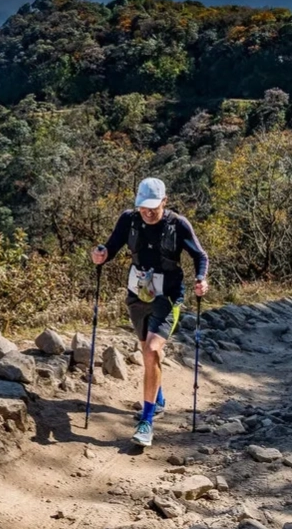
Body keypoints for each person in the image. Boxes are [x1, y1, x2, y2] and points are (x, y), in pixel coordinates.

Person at [90, 177, 209, 447]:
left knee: (152, 350)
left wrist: (201, 278)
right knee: (147, 352)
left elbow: (200, 256)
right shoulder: (129, 220)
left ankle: (146, 422)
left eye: (153, 207)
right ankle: (158, 398)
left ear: (165, 202)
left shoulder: (178, 225)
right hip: (137, 295)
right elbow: (112, 246)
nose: (148, 211)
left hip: (168, 297)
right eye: (144, 207)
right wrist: (101, 254)